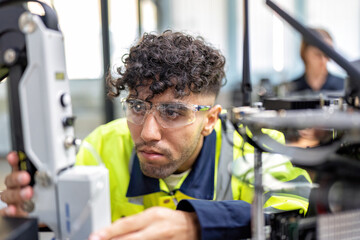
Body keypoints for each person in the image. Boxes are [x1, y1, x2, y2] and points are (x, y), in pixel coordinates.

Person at [0, 30, 312, 240]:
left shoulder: (256, 147)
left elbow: (293, 216)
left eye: (173, 112)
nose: (148, 133)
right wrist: (37, 212)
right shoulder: (100, 147)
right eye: (137, 107)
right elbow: (60, 221)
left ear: (210, 120)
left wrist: (196, 222)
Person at [288, 27, 344, 94]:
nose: (323, 61)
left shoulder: (342, 87)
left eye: (327, 55)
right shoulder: (292, 88)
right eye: (318, 55)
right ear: (305, 53)